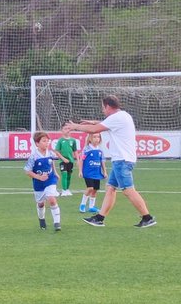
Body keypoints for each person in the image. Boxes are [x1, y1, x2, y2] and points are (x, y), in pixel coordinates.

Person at [62, 96, 156, 228]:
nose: (103, 110)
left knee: (128, 190)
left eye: (103, 107)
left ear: (107, 106)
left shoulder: (117, 118)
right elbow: (102, 124)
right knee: (110, 188)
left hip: (122, 160)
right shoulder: (123, 115)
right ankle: (99, 218)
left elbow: (95, 129)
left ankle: (147, 217)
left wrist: (75, 126)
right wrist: (92, 122)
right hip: (123, 159)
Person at [23, 131, 62, 231]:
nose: (47, 143)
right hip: (38, 183)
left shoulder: (50, 153)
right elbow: (27, 171)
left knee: (51, 199)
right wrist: (38, 177)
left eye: (48, 141)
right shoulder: (34, 156)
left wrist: (55, 172)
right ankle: (41, 219)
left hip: (50, 180)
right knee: (41, 203)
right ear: (37, 143)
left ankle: (57, 223)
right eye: (44, 141)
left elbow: (52, 162)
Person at [79, 133, 106, 213]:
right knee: (90, 188)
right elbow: (81, 160)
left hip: (97, 173)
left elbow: (102, 161)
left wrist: (104, 171)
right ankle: (82, 204)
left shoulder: (100, 150)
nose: (96, 139)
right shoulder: (87, 149)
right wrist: (80, 171)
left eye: (98, 137)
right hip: (88, 172)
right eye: (94, 137)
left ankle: (91, 207)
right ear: (90, 139)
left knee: (95, 190)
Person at [55, 131, 80, 197]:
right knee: (64, 174)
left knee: (69, 175)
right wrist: (63, 159)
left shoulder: (73, 140)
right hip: (62, 161)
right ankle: (64, 190)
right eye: (65, 129)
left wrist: (78, 160)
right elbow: (57, 151)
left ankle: (67, 189)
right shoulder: (60, 140)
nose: (67, 130)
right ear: (62, 130)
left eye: (68, 128)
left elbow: (75, 151)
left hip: (70, 161)